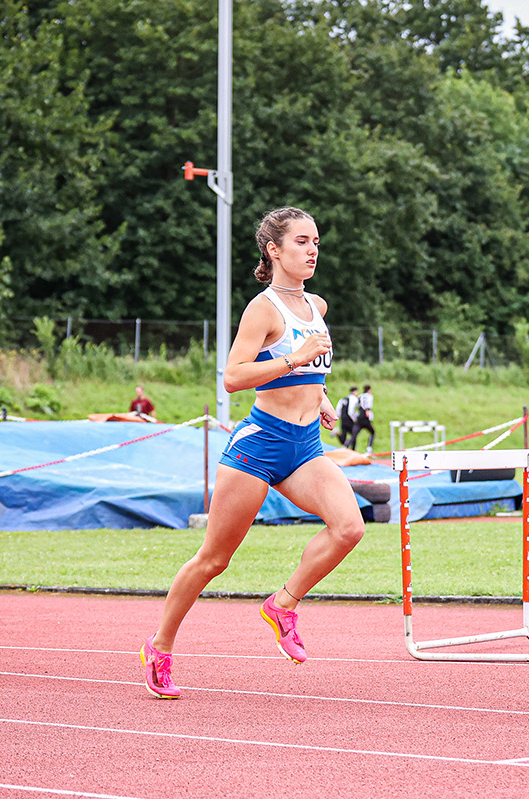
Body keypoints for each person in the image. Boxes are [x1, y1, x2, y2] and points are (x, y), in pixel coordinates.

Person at [139, 206, 364, 699]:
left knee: (349, 527)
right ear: (274, 250)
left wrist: (322, 398)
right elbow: (234, 377)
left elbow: (310, 371)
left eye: (316, 242)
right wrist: (293, 360)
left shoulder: (317, 305)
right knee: (214, 559)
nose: (312, 251)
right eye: (302, 242)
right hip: (259, 445)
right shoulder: (263, 308)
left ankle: (282, 604)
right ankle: (160, 646)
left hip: (305, 447)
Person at [352, 384, 375, 454]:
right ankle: (369, 448)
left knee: (354, 434)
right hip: (365, 416)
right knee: (372, 432)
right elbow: (367, 405)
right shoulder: (369, 396)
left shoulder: (360, 396)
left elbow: (356, 405)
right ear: (369, 390)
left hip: (359, 416)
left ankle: (347, 447)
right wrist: (367, 411)